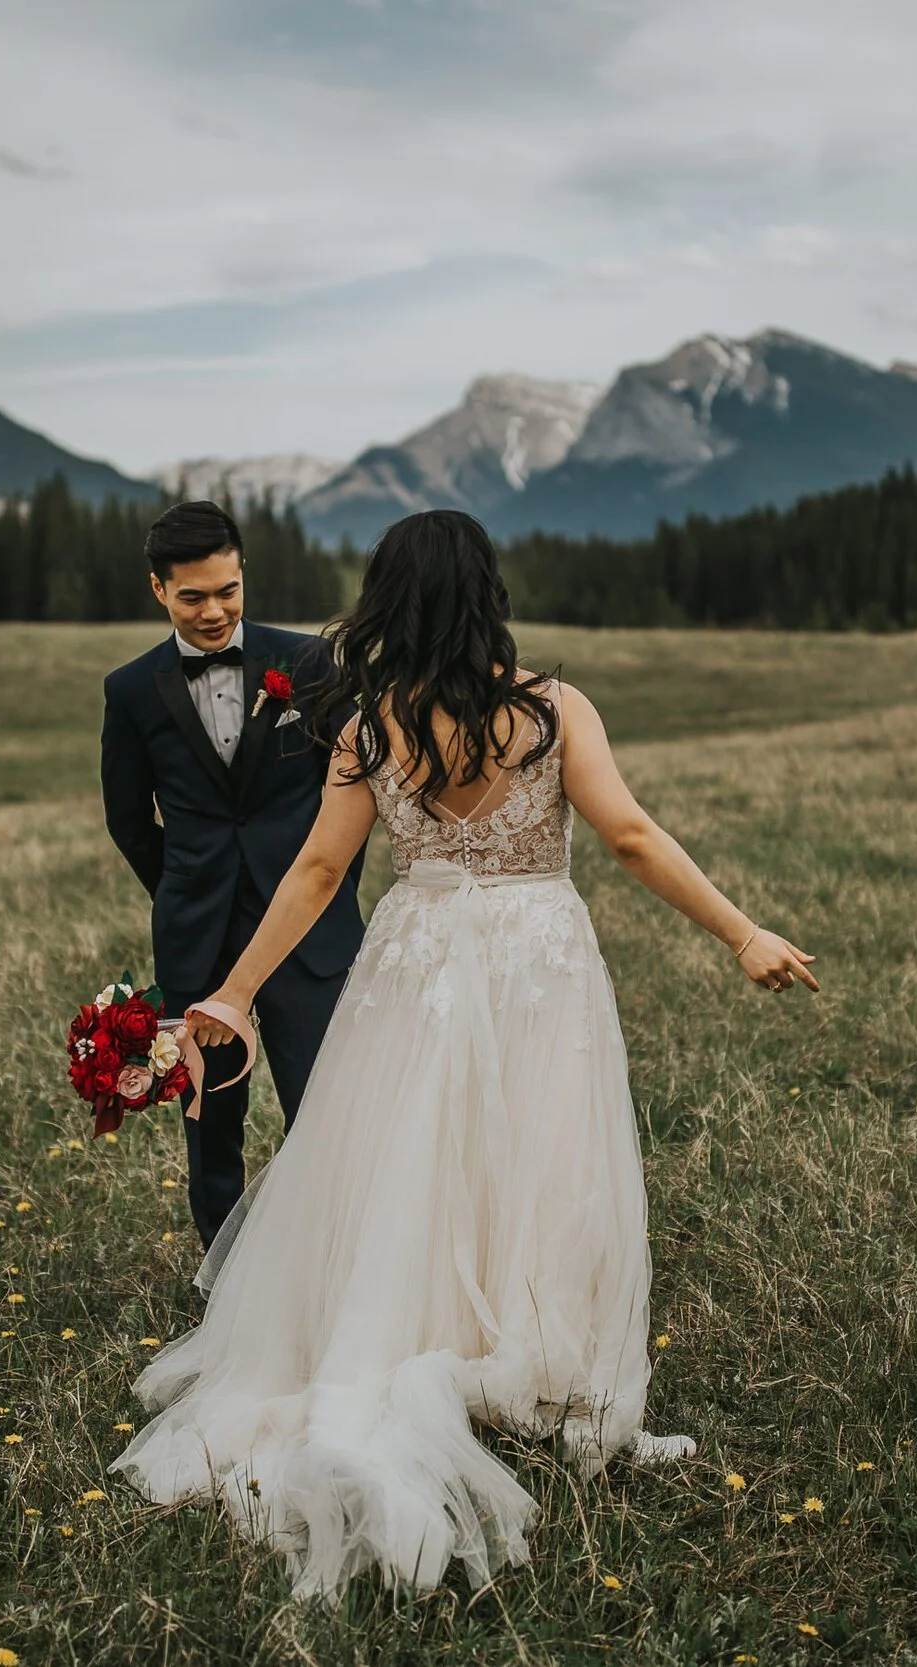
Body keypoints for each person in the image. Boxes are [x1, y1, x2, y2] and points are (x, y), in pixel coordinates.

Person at [111, 508, 820, 1599]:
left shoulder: (367, 725)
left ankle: (415, 1336)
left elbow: (311, 874)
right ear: (488, 591)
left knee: (410, 1152)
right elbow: (628, 836)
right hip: (537, 956)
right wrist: (741, 931)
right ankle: (534, 1359)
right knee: (541, 1151)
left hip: (418, 955)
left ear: (387, 601)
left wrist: (231, 991)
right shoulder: (551, 707)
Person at [99, 500, 366, 1247]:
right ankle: (223, 1271)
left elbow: (353, 798)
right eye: (192, 596)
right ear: (159, 590)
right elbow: (128, 820)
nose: (214, 611)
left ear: (243, 573)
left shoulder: (310, 663)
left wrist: (326, 895)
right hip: (200, 940)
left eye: (228, 590)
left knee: (324, 1103)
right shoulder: (129, 690)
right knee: (212, 1122)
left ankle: (338, 1254)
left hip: (307, 936)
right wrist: (184, 891)